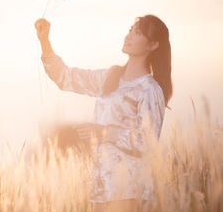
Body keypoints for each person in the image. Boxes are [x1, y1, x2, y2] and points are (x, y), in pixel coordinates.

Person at [34, 15, 173, 212]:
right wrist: (45, 41)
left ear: (153, 45)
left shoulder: (150, 90)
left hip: (130, 190)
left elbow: (147, 142)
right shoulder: (110, 77)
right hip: (101, 189)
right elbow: (65, 77)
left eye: (138, 33)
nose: (129, 35)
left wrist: (104, 132)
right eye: (130, 29)